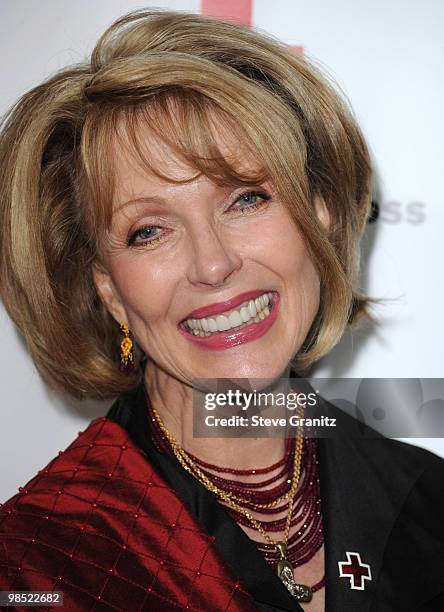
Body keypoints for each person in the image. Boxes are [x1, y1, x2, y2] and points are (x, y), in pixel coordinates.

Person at [0, 8, 443, 612]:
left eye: (246, 198)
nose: (212, 265)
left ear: (320, 214)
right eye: (149, 231)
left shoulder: (430, 502)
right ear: (108, 287)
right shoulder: (35, 563)